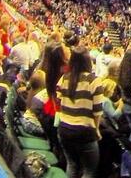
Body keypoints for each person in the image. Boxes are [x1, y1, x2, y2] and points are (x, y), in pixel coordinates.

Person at [57, 46, 104, 178]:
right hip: (84, 131)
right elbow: (97, 111)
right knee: (89, 170)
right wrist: (96, 129)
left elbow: (59, 100)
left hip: (64, 129)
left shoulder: (65, 78)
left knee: (72, 165)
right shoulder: (94, 81)